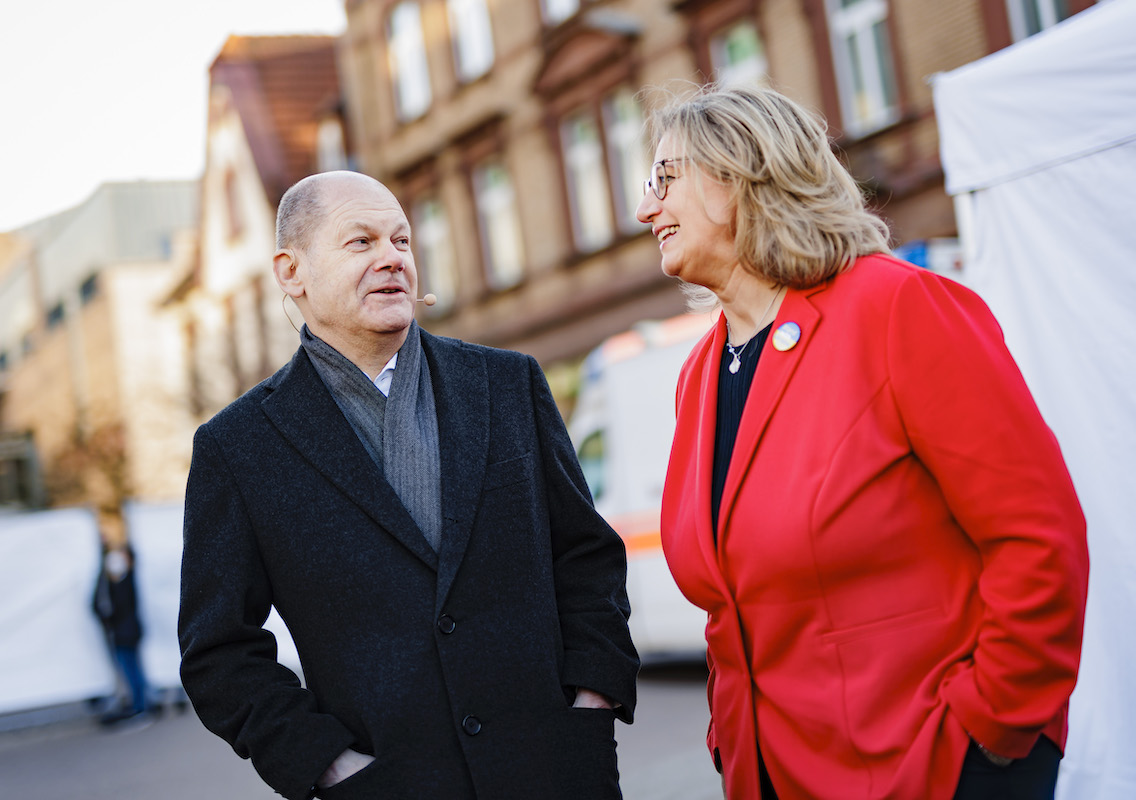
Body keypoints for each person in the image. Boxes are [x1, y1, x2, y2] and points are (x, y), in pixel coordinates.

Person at [635, 84, 1089, 800]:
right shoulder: (700, 372)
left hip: (931, 764)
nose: (645, 209)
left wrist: (992, 727)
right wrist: (731, 742)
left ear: (747, 171)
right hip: (777, 772)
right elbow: (730, 604)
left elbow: (1039, 536)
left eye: (665, 178)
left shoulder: (897, 308)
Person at [178, 170, 638, 800]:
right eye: (360, 243)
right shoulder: (240, 448)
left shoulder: (506, 387)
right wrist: (329, 764)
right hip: (392, 782)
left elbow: (587, 557)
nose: (392, 258)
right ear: (292, 272)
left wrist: (593, 698)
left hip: (554, 767)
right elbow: (219, 653)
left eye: (401, 240)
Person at [92, 510, 152, 725]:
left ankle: (140, 707)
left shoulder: (123, 582)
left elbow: (115, 606)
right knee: (134, 669)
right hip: (129, 631)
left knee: (131, 669)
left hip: (125, 632)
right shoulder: (128, 579)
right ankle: (142, 704)